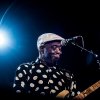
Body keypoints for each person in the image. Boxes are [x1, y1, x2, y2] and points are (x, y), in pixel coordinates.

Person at [13, 33, 78, 99]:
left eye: (60, 48)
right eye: (54, 47)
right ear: (41, 48)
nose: (59, 52)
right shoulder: (25, 69)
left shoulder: (67, 75)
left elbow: (74, 95)